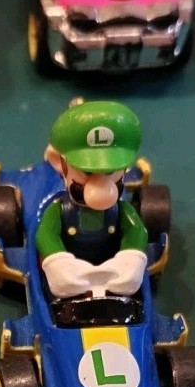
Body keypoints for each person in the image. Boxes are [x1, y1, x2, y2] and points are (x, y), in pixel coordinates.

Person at [35, 100, 150, 300]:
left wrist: (131, 258)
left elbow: (136, 230)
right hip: (70, 276)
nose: (102, 186)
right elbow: (45, 235)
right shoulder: (59, 210)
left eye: (111, 171)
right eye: (87, 172)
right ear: (59, 163)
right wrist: (57, 261)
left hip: (114, 272)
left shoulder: (120, 210)